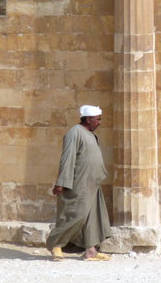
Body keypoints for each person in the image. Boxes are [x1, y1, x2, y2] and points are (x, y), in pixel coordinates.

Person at [46, 105, 112, 261]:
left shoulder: (90, 135)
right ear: (88, 119)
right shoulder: (75, 132)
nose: (100, 122)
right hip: (79, 184)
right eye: (98, 119)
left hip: (92, 184)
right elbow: (67, 158)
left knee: (92, 218)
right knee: (75, 215)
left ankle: (91, 251)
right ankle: (56, 245)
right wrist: (61, 182)